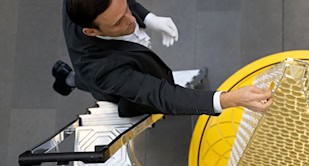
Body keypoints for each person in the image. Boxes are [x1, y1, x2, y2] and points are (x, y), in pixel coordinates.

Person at [53, 0, 273, 117]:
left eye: (128, 9)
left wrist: (148, 18)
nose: (131, 21)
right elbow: (161, 94)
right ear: (92, 32)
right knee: (93, 84)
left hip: (104, 70)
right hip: (106, 81)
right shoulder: (103, 70)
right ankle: (69, 79)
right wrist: (230, 99)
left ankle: (68, 78)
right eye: (119, 22)